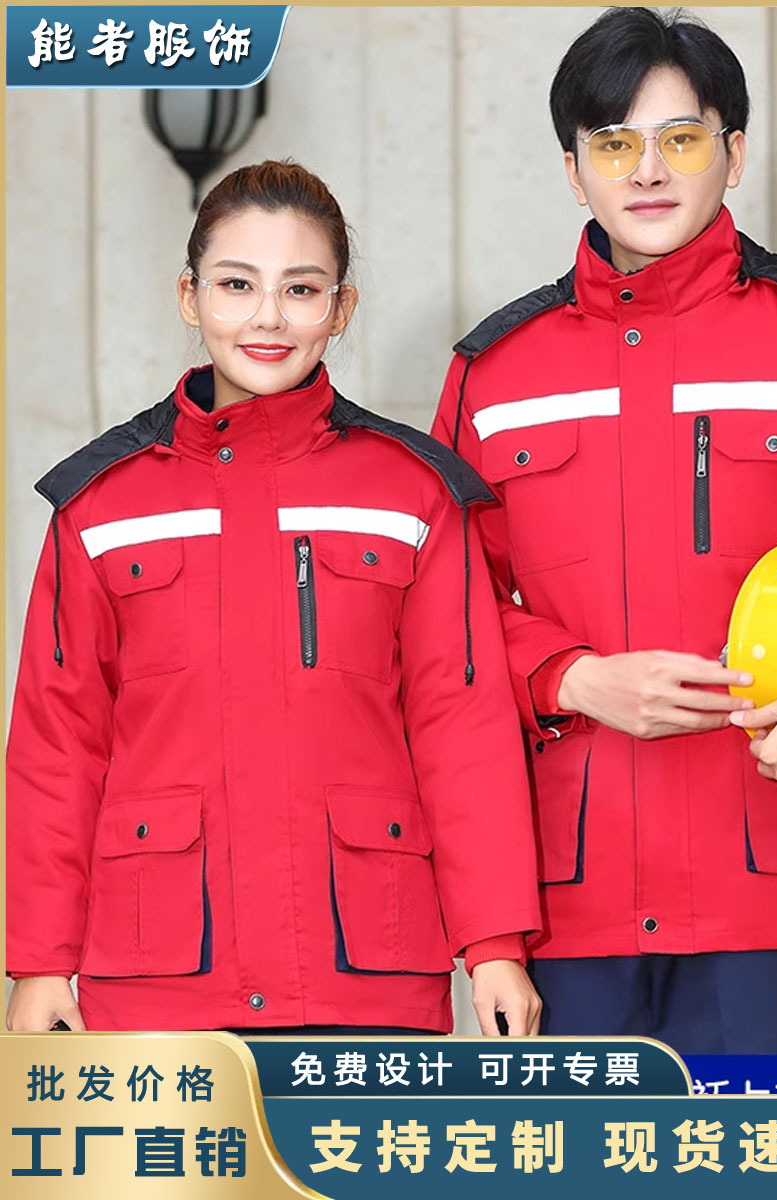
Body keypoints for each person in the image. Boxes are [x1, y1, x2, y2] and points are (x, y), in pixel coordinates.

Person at [431, 7, 777, 1053]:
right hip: (570, 883)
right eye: (612, 144)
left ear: (733, 155)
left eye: (681, 139)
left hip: (769, 873)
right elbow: (440, 623)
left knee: (758, 1164)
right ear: (572, 170)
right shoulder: (495, 373)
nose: (647, 170)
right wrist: (571, 678)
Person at [6, 160, 543, 1036]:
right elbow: (57, 742)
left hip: (359, 963)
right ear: (189, 296)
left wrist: (494, 944)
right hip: (160, 971)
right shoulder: (103, 504)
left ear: (342, 308)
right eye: (236, 285)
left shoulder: (411, 493)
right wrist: (38, 961)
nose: (267, 317)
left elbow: (462, 723)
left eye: (301, 289)